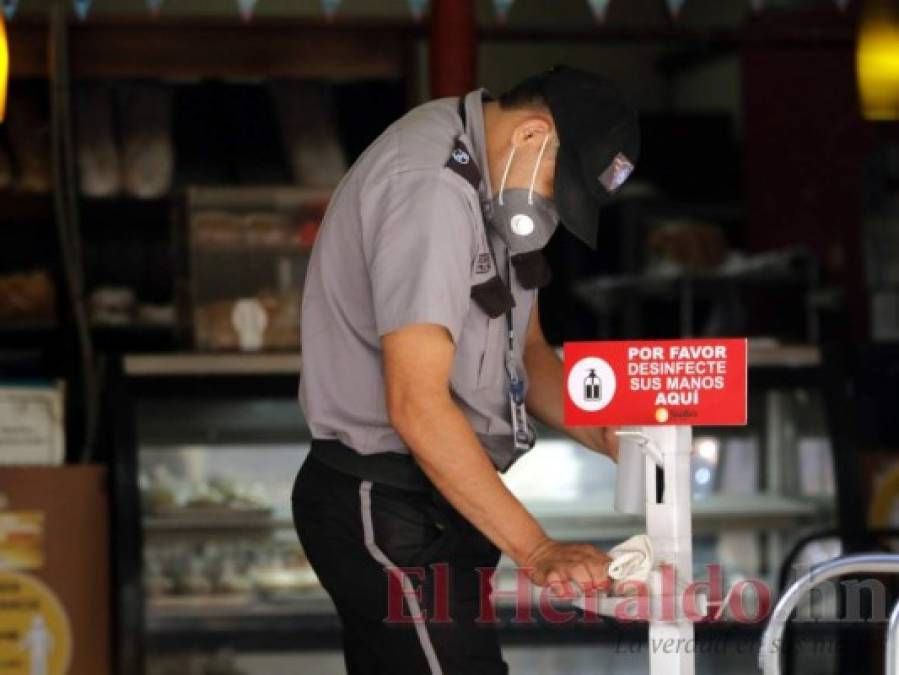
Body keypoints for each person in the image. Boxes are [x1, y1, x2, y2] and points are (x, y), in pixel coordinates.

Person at [293, 65, 640, 675]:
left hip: (441, 506)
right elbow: (416, 404)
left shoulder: (503, 185)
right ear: (533, 136)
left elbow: (528, 356)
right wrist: (538, 549)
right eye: (564, 187)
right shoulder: (428, 187)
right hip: (388, 506)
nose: (556, 206)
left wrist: (612, 433)